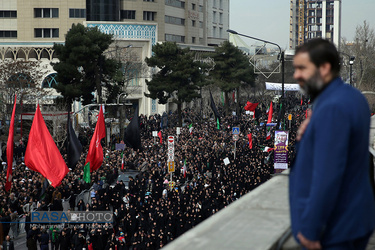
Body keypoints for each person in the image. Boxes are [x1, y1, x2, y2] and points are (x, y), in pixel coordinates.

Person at [290, 38, 375, 249]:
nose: (296, 75)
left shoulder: (332, 108)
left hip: (334, 231)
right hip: (354, 220)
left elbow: (326, 175)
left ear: (324, 68)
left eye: (302, 68)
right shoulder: (352, 97)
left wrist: (310, 230)